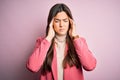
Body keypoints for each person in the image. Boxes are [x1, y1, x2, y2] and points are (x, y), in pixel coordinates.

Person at [27, 3, 97, 80]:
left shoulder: (79, 42)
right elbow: (32, 67)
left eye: (65, 20)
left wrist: (75, 37)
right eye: (57, 21)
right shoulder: (42, 42)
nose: (61, 25)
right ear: (51, 23)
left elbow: (90, 66)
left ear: (70, 23)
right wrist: (48, 38)